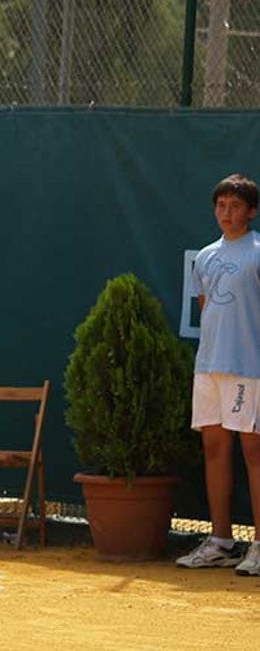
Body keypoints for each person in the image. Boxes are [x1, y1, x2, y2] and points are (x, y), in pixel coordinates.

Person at [176, 173, 260, 576]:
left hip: (249, 368)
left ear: (251, 212)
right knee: (214, 451)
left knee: (254, 454)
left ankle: (259, 546)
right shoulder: (206, 257)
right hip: (208, 367)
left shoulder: (259, 251)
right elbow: (209, 310)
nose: (226, 213)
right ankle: (221, 541)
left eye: (235, 206)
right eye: (221, 206)